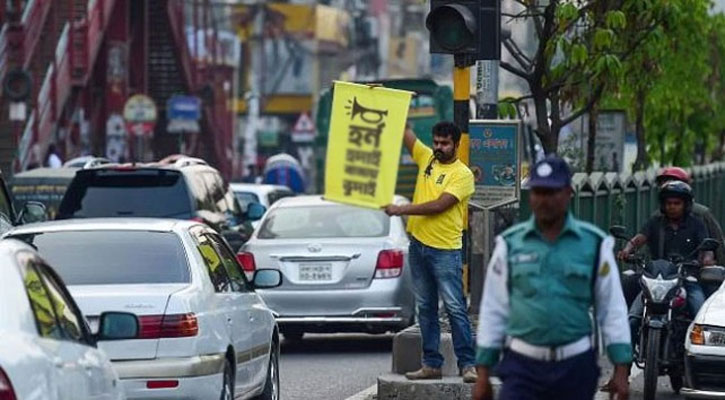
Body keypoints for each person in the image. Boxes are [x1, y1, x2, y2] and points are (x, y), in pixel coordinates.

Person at [473, 156, 632, 400]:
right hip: (521, 367)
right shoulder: (510, 245)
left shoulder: (594, 244)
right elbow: (494, 309)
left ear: (568, 193)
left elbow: (612, 309)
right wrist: (483, 372)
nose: (543, 199)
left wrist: (621, 368)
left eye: (551, 192)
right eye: (538, 191)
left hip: (574, 366)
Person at [383, 121, 477, 383]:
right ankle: (431, 364)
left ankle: (468, 364)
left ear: (457, 145)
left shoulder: (463, 175)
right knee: (425, 308)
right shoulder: (427, 157)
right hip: (419, 246)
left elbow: (439, 206)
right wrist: (390, 103)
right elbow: (406, 133)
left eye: (445, 143)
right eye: (436, 142)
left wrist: (401, 209)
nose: (439, 147)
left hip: (445, 250)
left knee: (455, 307)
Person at [618, 180, 713, 328]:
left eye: (677, 203)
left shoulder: (696, 224)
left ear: (685, 205)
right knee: (633, 317)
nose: (672, 207)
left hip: (686, 277)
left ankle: (694, 347)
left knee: (699, 311)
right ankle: (628, 348)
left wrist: (706, 259)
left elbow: (706, 249)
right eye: (669, 203)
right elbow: (638, 239)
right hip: (656, 279)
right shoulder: (655, 223)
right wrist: (627, 250)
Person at [653, 167, 725, 264]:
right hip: (665, 272)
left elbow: (717, 241)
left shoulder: (701, 213)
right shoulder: (658, 217)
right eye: (664, 183)